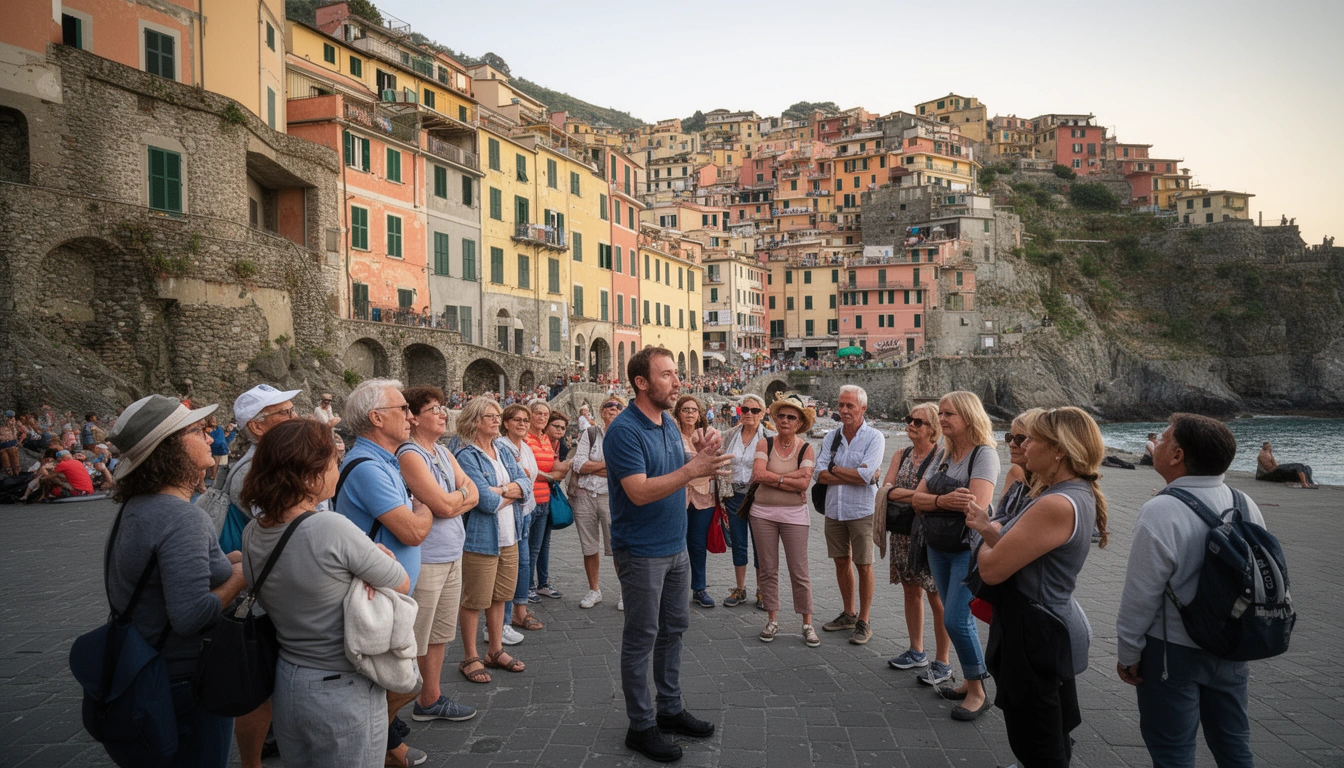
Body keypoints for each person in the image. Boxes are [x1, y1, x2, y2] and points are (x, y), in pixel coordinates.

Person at [240, 419, 410, 768]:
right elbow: (400, 581)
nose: (338, 468)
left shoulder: (253, 531)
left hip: (289, 678)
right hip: (341, 684)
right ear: (310, 474)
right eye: (333, 461)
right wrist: (376, 558)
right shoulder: (328, 526)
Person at [101, 394, 248, 767]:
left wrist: (221, 560)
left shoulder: (139, 508)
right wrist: (239, 576)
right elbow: (190, 615)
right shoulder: (181, 517)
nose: (210, 437)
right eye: (198, 431)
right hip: (184, 680)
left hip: (144, 666)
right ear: (171, 449)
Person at [1117, 414, 1265, 768]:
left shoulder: (1161, 510)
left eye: (1164, 438)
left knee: (1173, 751)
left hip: (1172, 651)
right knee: (1233, 744)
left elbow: (1140, 595)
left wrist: (1128, 651)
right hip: (1231, 644)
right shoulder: (1244, 502)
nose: (1156, 442)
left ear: (1177, 455)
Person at [606, 347, 728, 762]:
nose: (679, 382)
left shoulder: (667, 424)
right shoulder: (624, 430)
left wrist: (702, 453)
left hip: (675, 547)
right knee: (641, 637)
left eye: (677, 374)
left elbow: (679, 469)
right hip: (640, 551)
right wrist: (693, 470)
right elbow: (638, 491)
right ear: (641, 382)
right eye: (668, 375)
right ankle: (640, 726)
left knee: (674, 629)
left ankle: (670, 708)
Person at [967, 407, 1109, 764]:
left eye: (1031, 439)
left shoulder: (1056, 503)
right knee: (1050, 733)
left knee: (1037, 743)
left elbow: (991, 570)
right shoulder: (1071, 493)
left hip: (1035, 634)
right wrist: (995, 532)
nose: (1023, 445)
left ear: (1058, 449)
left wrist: (986, 534)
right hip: (1046, 627)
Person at [335, 378, 432, 768]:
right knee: (399, 680)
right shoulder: (367, 468)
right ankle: (378, 742)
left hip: (391, 592)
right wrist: (426, 504)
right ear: (376, 418)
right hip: (378, 595)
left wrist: (419, 507)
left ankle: (385, 741)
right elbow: (412, 528)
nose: (410, 416)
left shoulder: (383, 461)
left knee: (393, 678)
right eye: (401, 410)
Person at [910, 391, 999, 719]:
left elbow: (974, 508)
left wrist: (934, 500)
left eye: (949, 414)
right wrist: (943, 501)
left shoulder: (984, 455)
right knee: (956, 617)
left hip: (967, 548)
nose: (942, 419)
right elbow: (917, 499)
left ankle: (977, 691)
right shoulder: (943, 455)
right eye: (942, 413)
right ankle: (968, 679)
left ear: (970, 417)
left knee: (955, 619)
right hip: (937, 544)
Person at [396, 386, 478, 724]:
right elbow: (447, 504)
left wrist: (453, 498)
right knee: (415, 637)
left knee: (440, 632)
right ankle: (393, 709)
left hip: (451, 552)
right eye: (434, 408)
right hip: (425, 557)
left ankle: (430, 697)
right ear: (413, 418)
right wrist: (456, 498)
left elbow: (472, 494)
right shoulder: (409, 454)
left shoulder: (444, 453)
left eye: (443, 407)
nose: (443, 413)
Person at [452, 397, 532, 685]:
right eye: (491, 416)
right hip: (481, 539)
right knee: (475, 599)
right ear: (475, 421)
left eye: (498, 416)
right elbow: (484, 502)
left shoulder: (502, 449)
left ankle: (495, 650)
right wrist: (510, 492)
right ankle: (470, 656)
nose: (498, 420)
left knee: (500, 596)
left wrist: (502, 490)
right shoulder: (466, 456)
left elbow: (526, 485)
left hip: (511, 535)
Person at [881, 402, 951, 680]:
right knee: (910, 590)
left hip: (929, 534)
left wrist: (907, 495)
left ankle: (943, 661)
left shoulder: (943, 455)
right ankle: (916, 650)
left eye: (918, 422)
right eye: (909, 419)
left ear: (933, 429)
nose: (910, 424)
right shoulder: (902, 453)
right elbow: (886, 490)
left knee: (937, 597)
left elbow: (900, 492)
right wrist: (922, 499)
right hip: (902, 532)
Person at [813, 384, 884, 645]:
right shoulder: (831, 437)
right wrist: (853, 474)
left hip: (863, 510)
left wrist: (835, 469)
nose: (843, 410)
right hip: (835, 509)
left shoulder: (875, 437)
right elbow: (819, 475)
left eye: (849, 406)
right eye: (841, 405)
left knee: (864, 565)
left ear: (862, 408)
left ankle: (864, 621)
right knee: (841, 561)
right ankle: (849, 613)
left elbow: (866, 476)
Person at [749, 395, 818, 647]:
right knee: (767, 569)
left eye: (791, 417)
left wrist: (773, 476)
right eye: (781, 416)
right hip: (762, 514)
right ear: (775, 419)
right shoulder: (763, 444)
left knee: (799, 571)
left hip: (795, 517)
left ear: (800, 423)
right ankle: (772, 619)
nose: (785, 420)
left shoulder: (806, 448)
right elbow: (757, 474)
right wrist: (788, 478)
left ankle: (807, 623)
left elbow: (804, 483)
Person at [719, 393, 772, 609]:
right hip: (734, 495)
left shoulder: (769, 437)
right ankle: (740, 588)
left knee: (761, 545)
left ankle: (762, 590)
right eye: (745, 410)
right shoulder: (729, 435)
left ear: (762, 413)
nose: (749, 414)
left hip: (759, 496)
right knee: (738, 542)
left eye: (754, 410)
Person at [572, 395, 624, 610]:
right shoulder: (591, 433)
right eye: (608, 405)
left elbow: (624, 470)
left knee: (617, 547)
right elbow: (578, 465)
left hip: (612, 497)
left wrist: (595, 466)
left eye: (617, 405)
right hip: (585, 495)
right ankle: (594, 590)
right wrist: (608, 467)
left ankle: (624, 591)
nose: (613, 408)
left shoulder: (625, 435)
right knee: (589, 546)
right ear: (601, 411)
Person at [497, 404, 543, 636]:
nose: (523, 424)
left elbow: (528, 478)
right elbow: (519, 479)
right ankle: (503, 621)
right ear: (506, 423)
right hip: (510, 513)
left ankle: (520, 610)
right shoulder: (501, 446)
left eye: (526, 420)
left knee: (523, 564)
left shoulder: (524, 446)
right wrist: (521, 484)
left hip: (526, 510)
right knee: (510, 566)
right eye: (517, 420)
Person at [676, 395, 720, 609]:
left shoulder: (709, 434)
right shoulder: (672, 436)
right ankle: (676, 588)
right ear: (678, 413)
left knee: (698, 543)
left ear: (699, 413)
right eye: (685, 409)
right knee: (677, 543)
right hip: (678, 495)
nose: (690, 413)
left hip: (703, 496)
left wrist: (694, 468)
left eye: (693, 409)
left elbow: (713, 463)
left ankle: (699, 588)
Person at [524, 400, 569, 603]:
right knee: (529, 546)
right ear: (530, 415)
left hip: (545, 498)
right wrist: (549, 475)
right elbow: (527, 471)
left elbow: (558, 469)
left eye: (545, 414)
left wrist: (547, 474)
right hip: (530, 499)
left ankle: (540, 584)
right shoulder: (525, 439)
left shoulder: (545, 440)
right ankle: (528, 587)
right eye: (538, 414)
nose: (542, 417)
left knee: (540, 545)